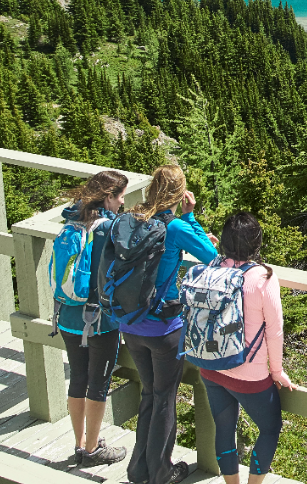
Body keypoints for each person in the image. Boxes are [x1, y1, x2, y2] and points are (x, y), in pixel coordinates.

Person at [111, 164, 218, 484]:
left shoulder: (131, 217)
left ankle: (138, 469)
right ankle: (161, 471)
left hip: (129, 323)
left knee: (149, 394)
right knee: (164, 399)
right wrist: (190, 217)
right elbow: (212, 255)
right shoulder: (174, 227)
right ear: (179, 193)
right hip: (164, 327)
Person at [197, 212, 293, 484]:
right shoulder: (262, 277)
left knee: (224, 429)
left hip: (212, 366)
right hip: (248, 374)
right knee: (270, 428)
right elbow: (274, 331)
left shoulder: (212, 267)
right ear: (257, 243)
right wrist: (276, 371)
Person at [54, 169, 129, 468]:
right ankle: (93, 449)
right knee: (98, 384)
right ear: (109, 197)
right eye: (121, 197)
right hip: (99, 321)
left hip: (67, 315)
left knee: (78, 378)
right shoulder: (109, 228)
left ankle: (78, 444)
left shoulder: (73, 219)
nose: (122, 203)